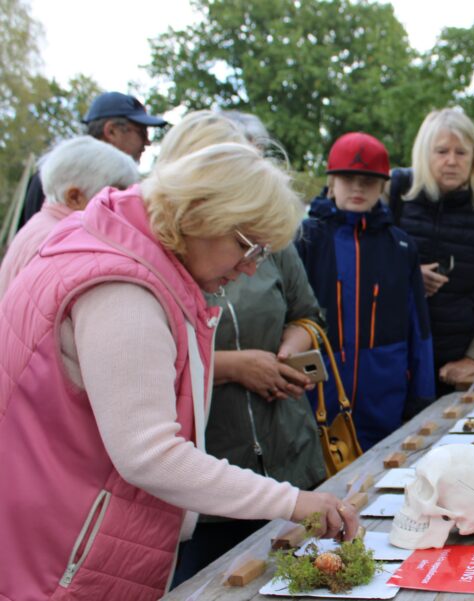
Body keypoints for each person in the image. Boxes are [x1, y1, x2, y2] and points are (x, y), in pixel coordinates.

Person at [0, 142, 359, 601]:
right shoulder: (123, 292)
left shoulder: (110, 241)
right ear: (198, 215)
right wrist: (294, 502)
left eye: (262, 253)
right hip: (64, 557)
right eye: (247, 245)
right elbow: (150, 454)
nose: (250, 268)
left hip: (53, 532)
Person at [165, 111, 329, 585]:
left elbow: (308, 315)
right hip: (210, 481)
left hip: (288, 453)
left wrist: (282, 356)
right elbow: (154, 375)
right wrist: (236, 367)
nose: (247, 263)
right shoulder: (165, 262)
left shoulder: (272, 238)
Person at [297, 131, 435, 442]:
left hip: (385, 400)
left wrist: (422, 398)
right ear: (332, 182)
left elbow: (419, 327)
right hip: (318, 400)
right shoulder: (306, 239)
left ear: (383, 186)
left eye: (369, 180)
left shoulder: (400, 246)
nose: (358, 187)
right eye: (348, 178)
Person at [388, 108, 474, 397]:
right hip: (394, 356)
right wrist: (407, 276)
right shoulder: (394, 192)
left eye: (461, 152)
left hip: (454, 363)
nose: (451, 161)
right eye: (441, 151)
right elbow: (362, 264)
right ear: (425, 153)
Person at [0, 137, 139, 298]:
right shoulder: (60, 243)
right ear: (75, 197)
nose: (124, 203)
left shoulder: (42, 223)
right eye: (115, 193)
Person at [17, 91, 167, 229]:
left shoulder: (61, 172)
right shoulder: (61, 176)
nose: (147, 142)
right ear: (111, 131)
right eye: (142, 132)